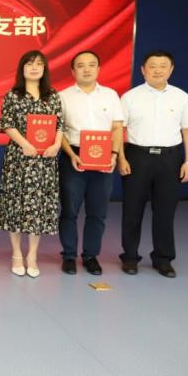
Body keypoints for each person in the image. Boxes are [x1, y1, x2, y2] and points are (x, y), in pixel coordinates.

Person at [117, 50, 188, 278]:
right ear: (143, 70)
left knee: (165, 211)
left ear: (171, 70)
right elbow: (118, 130)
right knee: (132, 210)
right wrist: (121, 158)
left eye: (163, 66)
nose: (157, 70)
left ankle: (163, 259)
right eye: (152, 66)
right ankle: (130, 257)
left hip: (170, 158)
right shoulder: (130, 97)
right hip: (137, 156)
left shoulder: (181, 97)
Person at [0, 50, 63, 278]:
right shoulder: (13, 95)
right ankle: (16, 253)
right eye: (30, 64)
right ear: (22, 68)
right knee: (16, 204)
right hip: (19, 158)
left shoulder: (53, 95)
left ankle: (32, 255)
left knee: (38, 206)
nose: (34, 68)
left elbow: (60, 124)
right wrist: (24, 143)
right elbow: (7, 123)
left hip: (45, 161)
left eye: (39, 64)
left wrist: (57, 144)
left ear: (44, 69)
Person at [58, 51, 124, 275]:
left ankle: (90, 256)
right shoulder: (63, 96)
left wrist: (114, 154)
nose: (86, 69)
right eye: (81, 65)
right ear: (73, 70)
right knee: (69, 209)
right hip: (73, 156)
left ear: (98, 68)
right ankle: (69, 255)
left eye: (92, 65)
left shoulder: (111, 95)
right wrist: (71, 154)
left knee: (98, 211)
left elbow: (117, 127)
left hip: (104, 157)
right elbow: (59, 131)